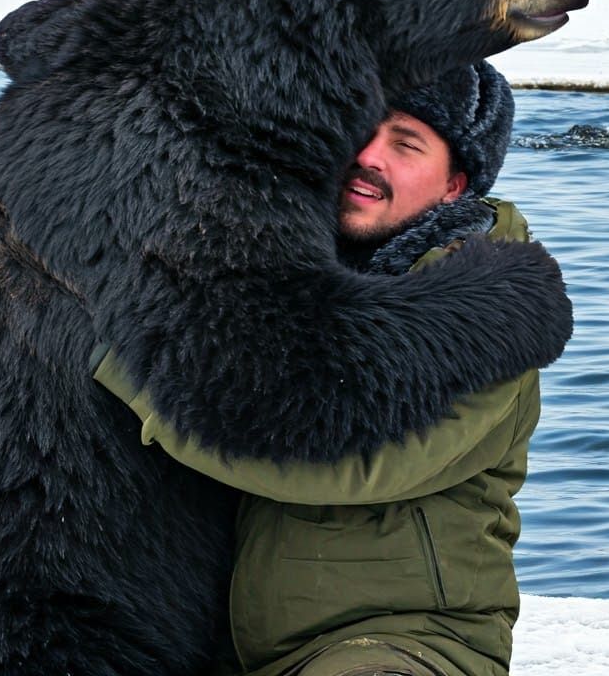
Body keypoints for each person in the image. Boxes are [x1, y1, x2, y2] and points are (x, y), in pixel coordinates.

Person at [93, 61, 560, 676]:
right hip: (223, 645)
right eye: (359, 128)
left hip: (401, 642)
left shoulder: (488, 310)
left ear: (455, 185)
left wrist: (141, 373)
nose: (369, 155)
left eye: (406, 143)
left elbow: (350, 466)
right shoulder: (276, 267)